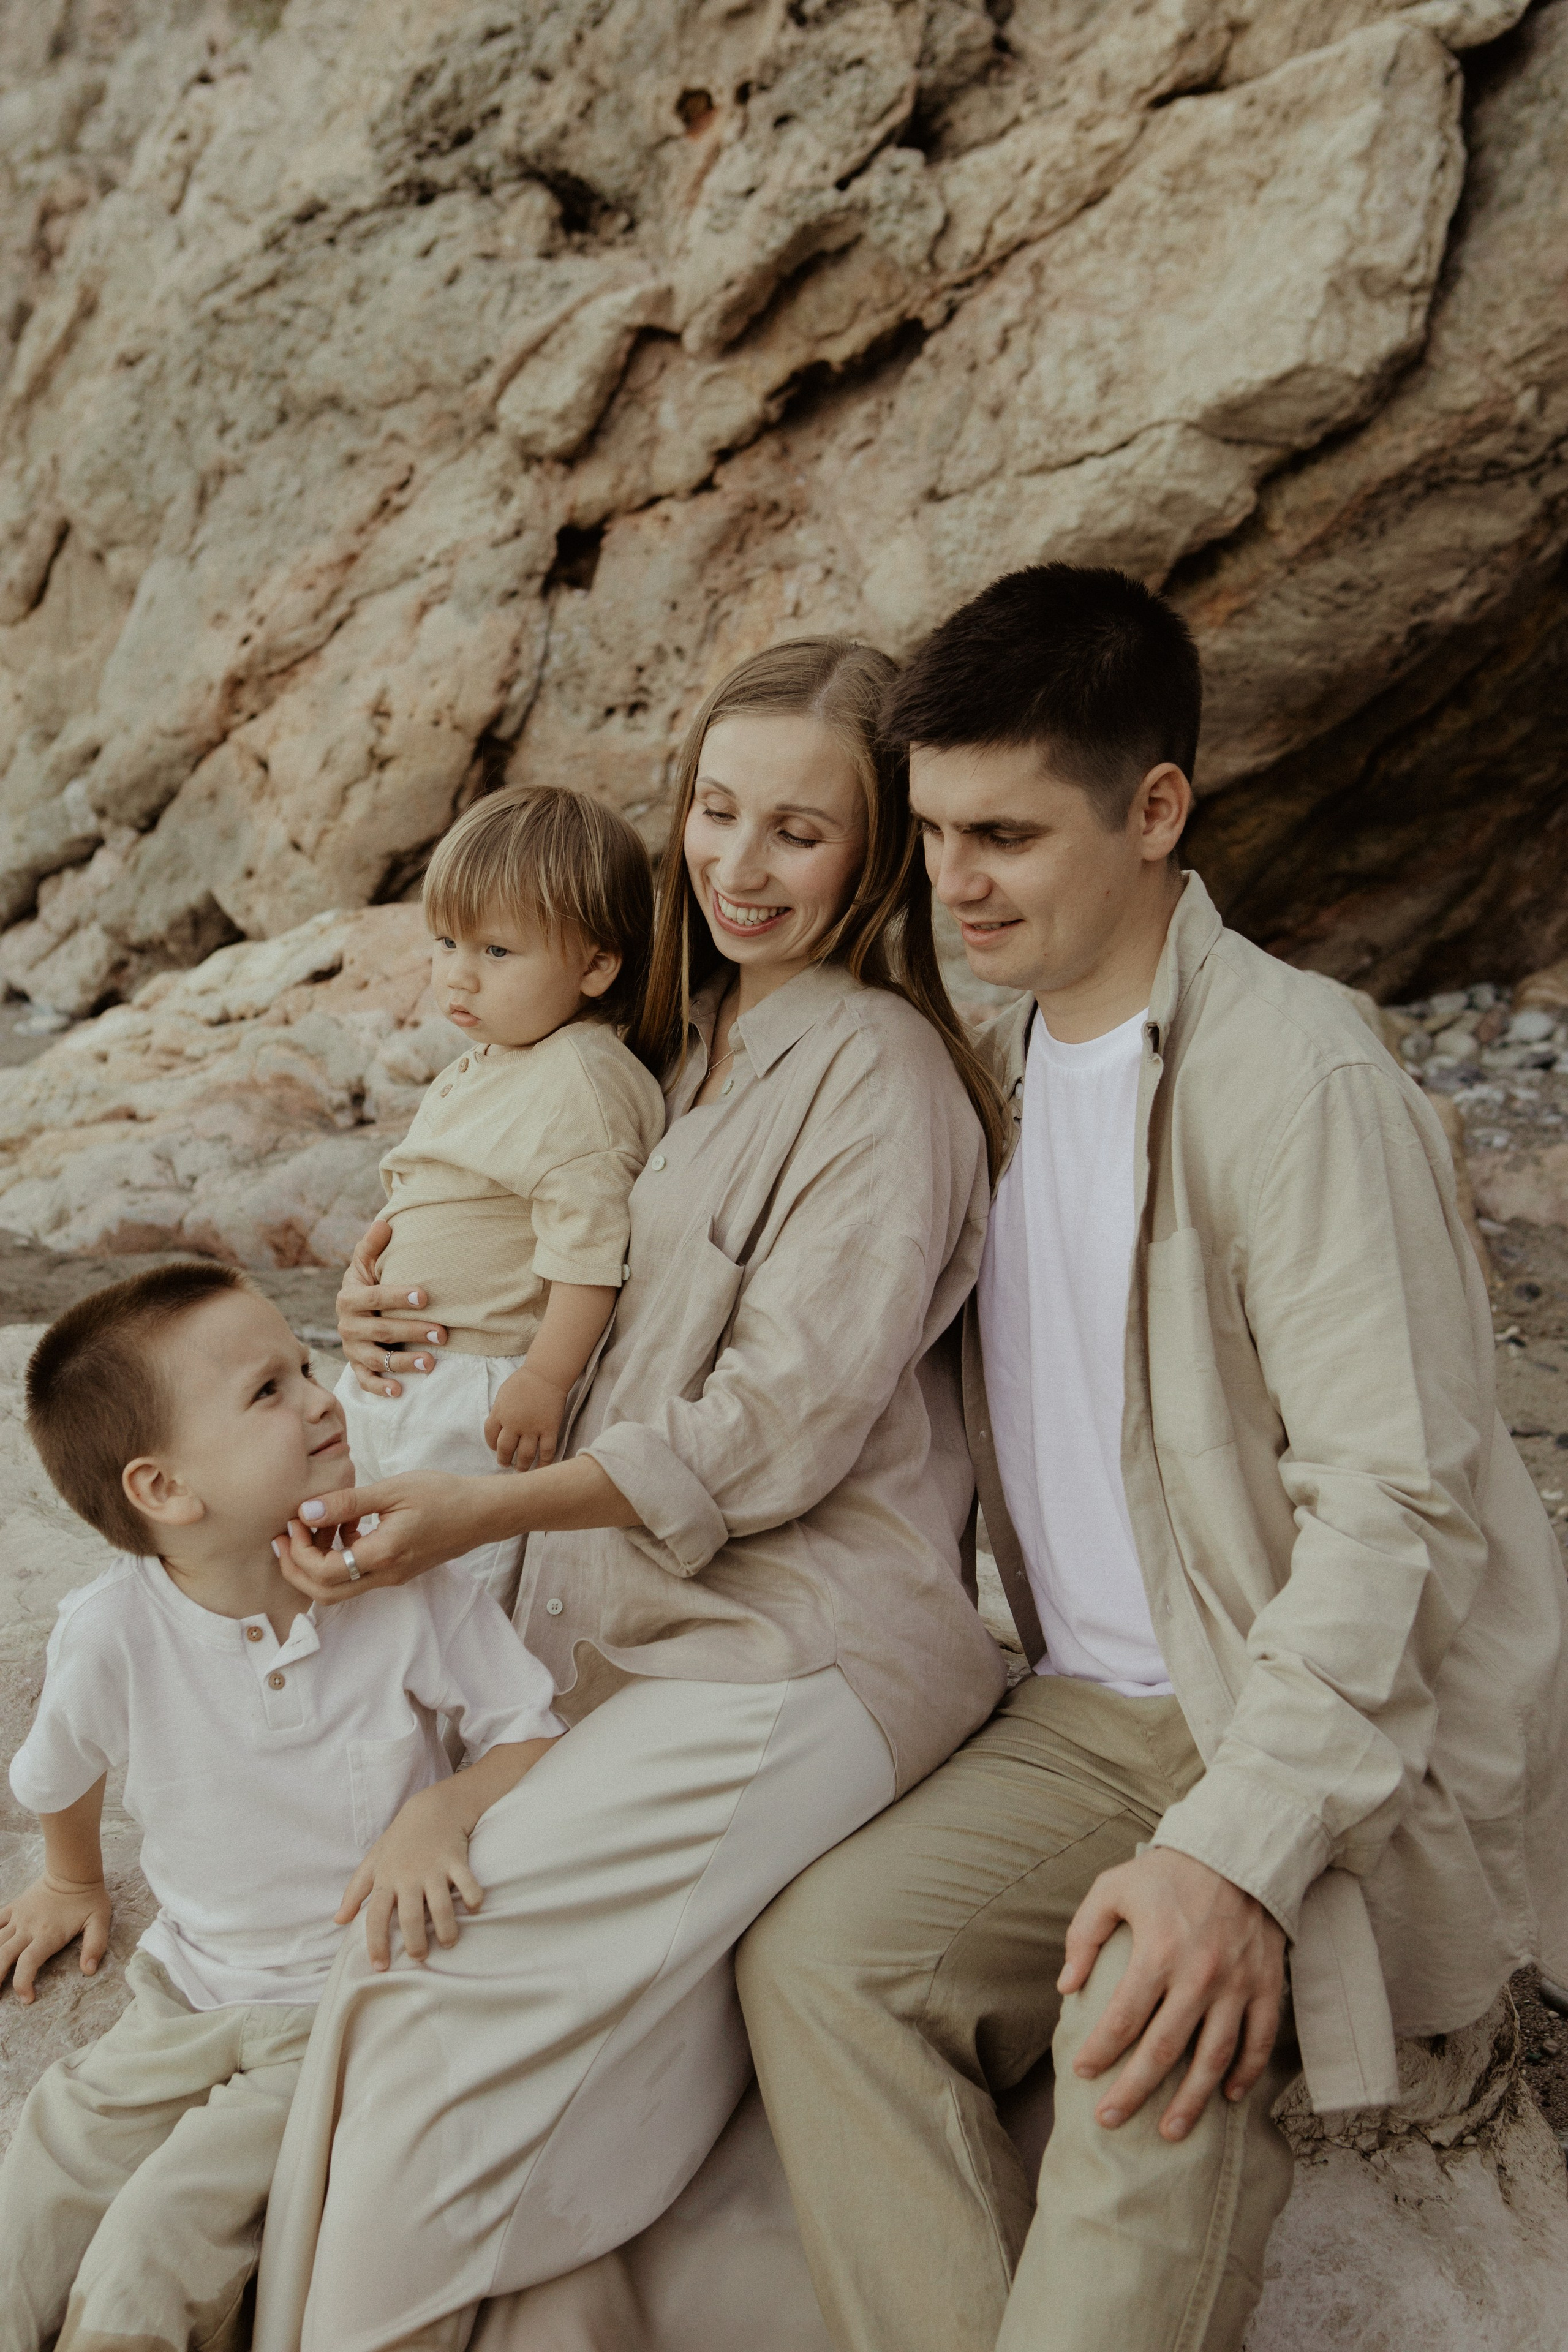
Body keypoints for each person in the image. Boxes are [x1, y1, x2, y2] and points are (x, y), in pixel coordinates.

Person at [736, 564, 1568, 2352]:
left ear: (1158, 808)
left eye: (1011, 836)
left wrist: (1238, 1856)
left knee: (1143, 2031)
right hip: (1080, 1712)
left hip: (1288, 1708)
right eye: (939, 831)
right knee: (819, 1960)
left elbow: (1397, 1514)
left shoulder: (1300, 1079)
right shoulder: (985, 1068)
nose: (956, 881)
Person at [252, 637, 1012, 2352]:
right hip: (635, 1636)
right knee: (415, 1982)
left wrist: (483, 1520)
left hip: (798, 1651)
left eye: (798, 833)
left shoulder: (882, 1076)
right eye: (717, 813)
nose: (740, 867)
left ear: (880, 848)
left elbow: (787, 1418)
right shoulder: (671, 1052)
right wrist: (383, 1320)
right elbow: (551, 1304)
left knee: (435, 1995)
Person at [0, 1264, 563, 2352]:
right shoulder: (113, 1630)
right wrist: (70, 1878)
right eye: (270, 1390)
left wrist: (442, 1809)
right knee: (38, 2187)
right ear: (163, 1490)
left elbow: (531, 1731)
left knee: (156, 2250)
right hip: (185, 1989)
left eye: (308, 1368)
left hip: (339, 2014)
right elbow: (57, 1771)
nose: (322, 1396)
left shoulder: (403, 1587)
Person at [339, 783, 665, 1615]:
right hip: (401, 1369)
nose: (458, 976)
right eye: (446, 942)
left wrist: (546, 1378)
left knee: (453, 1599)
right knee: (358, 1566)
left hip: (475, 1382)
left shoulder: (582, 1081)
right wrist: (365, 1277)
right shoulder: (492, 1058)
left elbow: (590, 1249)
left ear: (596, 964)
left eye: (496, 953)